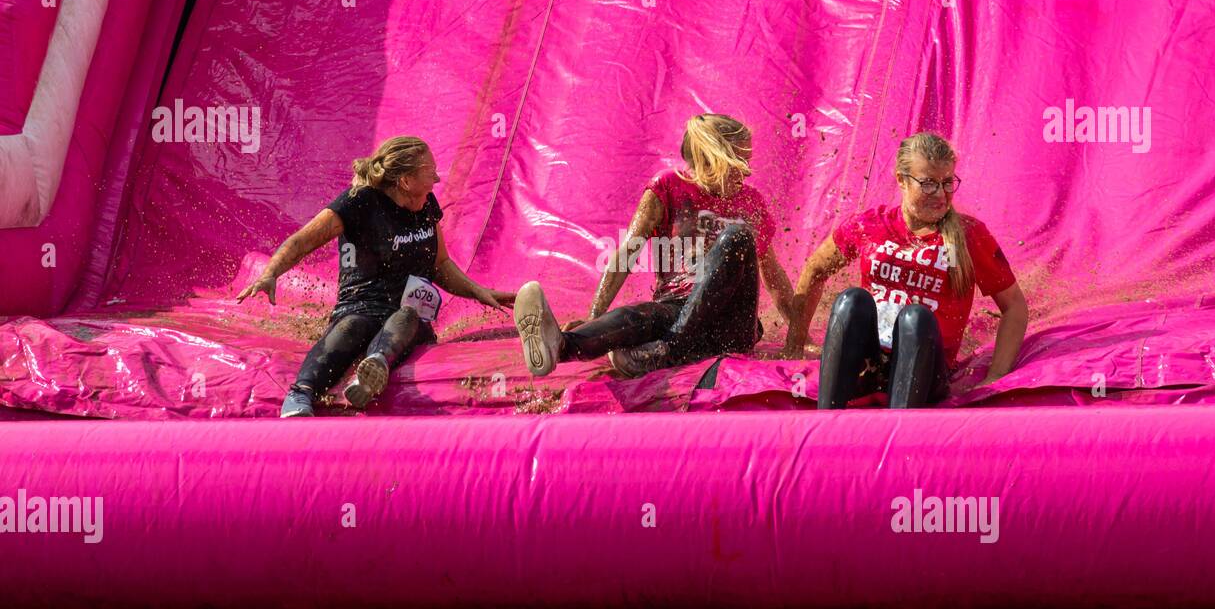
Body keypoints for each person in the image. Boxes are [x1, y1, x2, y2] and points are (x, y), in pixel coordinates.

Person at [236, 135, 516, 417]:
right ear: (406, 181)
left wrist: (479, 291)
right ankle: (300, 394)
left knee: (407, 315)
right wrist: (271, 273)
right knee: (352, 327)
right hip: (360, 307)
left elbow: (440, 264)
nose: (437, 178)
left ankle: (374, 367)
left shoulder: (427, 205)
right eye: (430, 170)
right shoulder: (359, 203)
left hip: (410, 316)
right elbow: (302, 241)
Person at [512, 114, 796, 379]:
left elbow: (774, 279)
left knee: (737, 237)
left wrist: (798, 334)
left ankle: (669, 350)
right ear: (713, 159)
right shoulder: (669, 186)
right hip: (678, 310)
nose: (745, 174)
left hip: (732, 324)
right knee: (633, 317)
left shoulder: (750, 202)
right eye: (739, 164)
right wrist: (593, 317)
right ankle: (559, 346)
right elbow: (627, 254)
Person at [782, 131, 1028, 408]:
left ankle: (899, 429)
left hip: (924, 368)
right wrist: (794, 346)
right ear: (901, 179)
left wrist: (996, 375)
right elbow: (815, 269)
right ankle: (825, 421)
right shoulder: (870, 224)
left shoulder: (971, 235)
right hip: (868, 364)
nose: (940, 194)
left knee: (914, 318)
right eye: (928, 184)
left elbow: (1014, 306)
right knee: (851, 301)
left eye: (947, 183)